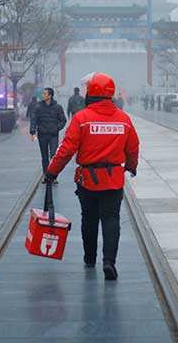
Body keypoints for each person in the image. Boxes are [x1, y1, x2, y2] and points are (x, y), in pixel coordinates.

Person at [45, 72, 139, 281]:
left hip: (87, 179)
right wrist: (132, 167)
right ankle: (109, 261)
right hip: (113, 179)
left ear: (91, 93)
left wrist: (52, 172)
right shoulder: (124, 120)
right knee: (111, 218)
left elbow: (66, 149)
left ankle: (90, 258)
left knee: (88, 218)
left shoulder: (81, 119)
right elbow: (133, 148)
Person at [30, 87, 67, 179]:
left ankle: (53, 175)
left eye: (45, 94)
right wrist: (32, 131)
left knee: (54, 155)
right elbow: (34, 119)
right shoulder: (38, 107)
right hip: (42, 134)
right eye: (43, 94)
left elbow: (63, 120)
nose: (43, 95)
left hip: (53, 135)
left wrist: (57, 128)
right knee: (44, 156)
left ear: (50, 96)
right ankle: (46, 175)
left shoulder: (58, 107)